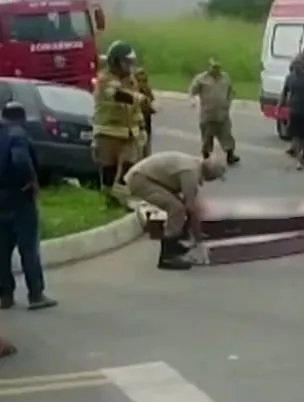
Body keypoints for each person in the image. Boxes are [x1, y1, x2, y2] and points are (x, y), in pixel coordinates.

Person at [124, 151, 226, 270]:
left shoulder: (194, 165)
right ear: (211, 175)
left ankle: (173, 244)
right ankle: (167, 256)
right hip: (140, 180)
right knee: (176, 209)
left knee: (180, 206)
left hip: (149, 177)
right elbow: (191, 209)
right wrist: (199, 242)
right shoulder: (190, 173)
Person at [0, 102, 58, 310]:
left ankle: (5, 295)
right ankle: (35, 294)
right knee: (28, 247)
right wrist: (30, 181)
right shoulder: (18, 134)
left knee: (2, 249)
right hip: (19, 198)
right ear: (21, 118)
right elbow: (20, 160)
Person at [92, 40, 147, 206]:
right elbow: (116, 94)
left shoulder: (131, 80)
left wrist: (142, 126)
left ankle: (123, 199)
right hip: (108, 131)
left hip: (128, 132)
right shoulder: (104, 79)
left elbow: (135, 109)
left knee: (129, 167)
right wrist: (138, 98)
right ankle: (109, 200)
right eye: (126, 62)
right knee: (108, 169)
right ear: (115, 61)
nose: (129, 66)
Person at [189, 59, 240, 166]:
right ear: (209, 67)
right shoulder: (201, 79)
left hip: (222, 112)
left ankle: (230, 155)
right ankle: (206, 157)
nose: (216, 69)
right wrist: (192, 100)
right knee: (207, 136)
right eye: (213, 67)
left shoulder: (225, 77)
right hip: (208, 113)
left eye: (217, 67)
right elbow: (192, 90)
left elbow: (231, 90)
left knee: (226, 134)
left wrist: (229, 101)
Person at [135, 66, 156, 158]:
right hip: (136, 126)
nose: (142, 83)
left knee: (146, 150)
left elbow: (152, 103)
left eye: (144, 80)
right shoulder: (132, 92)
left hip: (146, 125)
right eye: (139, 80)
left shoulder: (147, 90)